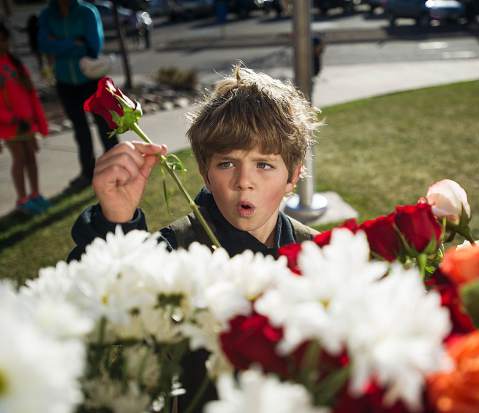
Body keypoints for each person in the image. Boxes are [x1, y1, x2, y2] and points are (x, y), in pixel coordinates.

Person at [67, 66, 320, 407]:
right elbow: (90, 304)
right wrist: (117, 218)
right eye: (227, 163)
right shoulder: (174, 251)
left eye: (264, 164)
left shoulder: (318, 256)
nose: (244, 181)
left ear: (294, 176)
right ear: (204, 171)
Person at [38, 0, 118, 191]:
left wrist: (58, 44)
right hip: (65, 81)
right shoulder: (47, 15)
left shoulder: (87, 12)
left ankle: (118, 169)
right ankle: (87, 172)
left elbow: (93, 45)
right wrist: (74, 42)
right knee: (80, 130)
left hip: (91, 79)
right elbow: (43, 44)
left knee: (106, 126)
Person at [0, 23, 51, 215]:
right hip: (10, 126)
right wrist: (9, 118)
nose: (1, 44)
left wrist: (40, 123)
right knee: (19, 159)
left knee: (31, 157)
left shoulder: (16, 64)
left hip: (27, 123)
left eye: (3, 39)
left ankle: (35, 194)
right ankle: (22, 199)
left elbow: (32, 97)